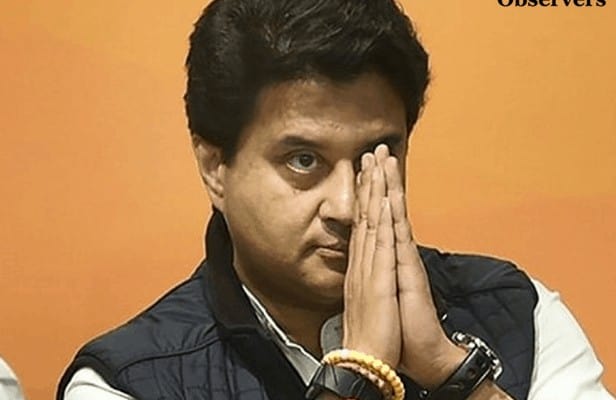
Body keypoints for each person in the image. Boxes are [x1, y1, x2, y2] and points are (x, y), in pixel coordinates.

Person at [57, 0, 613, 399]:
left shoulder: (520, 313)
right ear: (214, 167)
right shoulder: (126, 381)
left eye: (376, 155)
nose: (346, 206)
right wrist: (358, 373)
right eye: (304, 160)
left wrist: (453, 374)